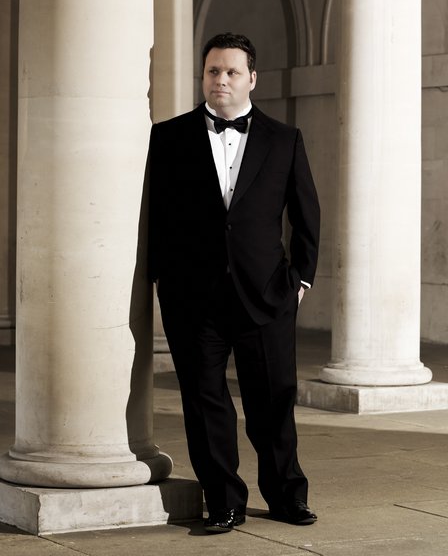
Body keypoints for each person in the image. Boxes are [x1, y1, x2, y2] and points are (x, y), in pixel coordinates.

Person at [147, 32, 321, 533]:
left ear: (251, 78)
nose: (220, 80)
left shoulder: (284, 139)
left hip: (266, 294)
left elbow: (306, 216)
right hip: (192, 298)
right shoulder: (169, 137)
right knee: (205, 403)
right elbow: (156, 214)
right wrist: (162, 279)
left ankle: (287, 496)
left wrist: (300, 281)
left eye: (231, 72)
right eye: (212, 71)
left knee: (273, 402)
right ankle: (224, 502)